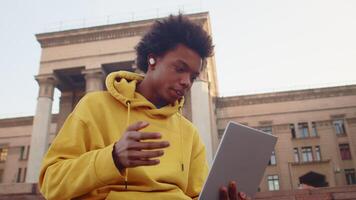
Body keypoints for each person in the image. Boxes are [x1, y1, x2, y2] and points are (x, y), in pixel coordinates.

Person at [39, 14, 246, 200]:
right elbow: (51, 183)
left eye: (192, 76)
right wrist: (113, 158)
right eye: (180, 69)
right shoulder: (95, 107)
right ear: (152, 59)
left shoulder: (189, 133)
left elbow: (196, 196)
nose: (186, 82)